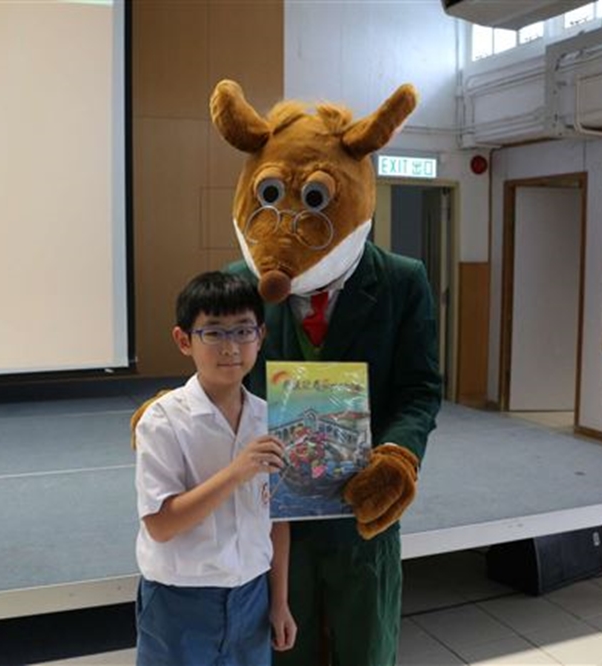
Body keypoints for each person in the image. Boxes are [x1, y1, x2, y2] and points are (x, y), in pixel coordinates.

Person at [210, 79, 443, 665]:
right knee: (283, 650)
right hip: (271, 517)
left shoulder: (402, 281)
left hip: (361, 514)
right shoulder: (240, 280)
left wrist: (400, 456)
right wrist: (177, 412)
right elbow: (218, 377)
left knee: (365, 649)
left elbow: (419, 389)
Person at [133, 270, 297, 666]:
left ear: (261, 336)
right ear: (183, 340)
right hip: (180, 602)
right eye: (214, 332)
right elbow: (161, 525)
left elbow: (278, 519)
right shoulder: (162, 420)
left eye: (243, 330)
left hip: (253, 596)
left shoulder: (272, 418)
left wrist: (279, 602)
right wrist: (236, 473)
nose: (231, 346)